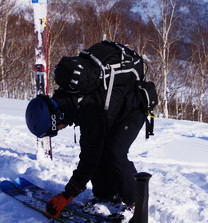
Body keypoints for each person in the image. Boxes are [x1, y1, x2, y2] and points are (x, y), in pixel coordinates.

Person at [25, 41, 148, 221]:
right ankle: (105, 195)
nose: (60, 129)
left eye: (56, 128)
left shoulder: (87, 109)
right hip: (116, 105)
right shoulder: (69, 99)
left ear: (55, 118)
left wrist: (67, 196)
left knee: (115, 152)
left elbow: (89, 159)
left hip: (134, 107)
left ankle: (135, 203)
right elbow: (92, 153)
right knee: (100, 148)